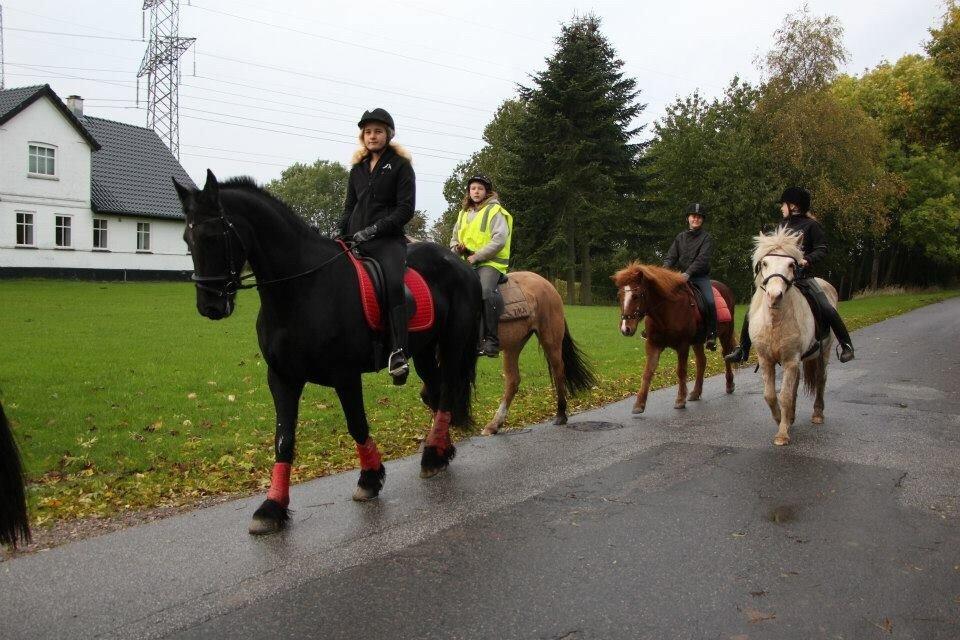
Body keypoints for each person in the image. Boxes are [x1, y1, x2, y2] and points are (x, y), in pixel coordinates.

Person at [724, 187, 855, 364]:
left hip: (803, 278)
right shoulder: (781, 226)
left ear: (793, 206)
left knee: (826, 307)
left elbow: (822, 249)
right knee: (753, 307)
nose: (781, 208)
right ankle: (743, 349)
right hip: (780, 279)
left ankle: (846, 345)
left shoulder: (812, 226)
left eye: (783, 204)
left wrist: (807, 260)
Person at [340, 108, 416, 383]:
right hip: (356, 240)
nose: (373, 136)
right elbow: (349, 207)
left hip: (387, 241)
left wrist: (376, 228)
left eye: (378, 131)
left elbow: (405, 209)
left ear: (389, 135)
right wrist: (341, 234)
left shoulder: (401, 166)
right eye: (368, 132)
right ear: (363, 136)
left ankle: (398, 351)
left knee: (393, 284)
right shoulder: (357, 169)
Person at [449, 174, 513, 357]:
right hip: (468, 261)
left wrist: (477, 256)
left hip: (491, 262)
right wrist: (457, 248)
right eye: (473, 188)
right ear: (469, 192)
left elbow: (499, 240)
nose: (476, 191)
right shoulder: (463, 213)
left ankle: (491, 340)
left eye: (480, 188)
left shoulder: (495, 211)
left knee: (484, 291)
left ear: (487, 192)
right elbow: (454, 238)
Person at [664, 203, 717, 350]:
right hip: (680, 277)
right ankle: (657, 330)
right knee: (661, 295)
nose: (696, 219)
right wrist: (663, 272)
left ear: (702, 220)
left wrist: (688, 273)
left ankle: (712, 334)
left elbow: (702, 259)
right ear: (688, 218)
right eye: (693, 216)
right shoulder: (680, 237)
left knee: (710, 302)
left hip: (699, 277)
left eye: (699, 217)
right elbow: (671, 257)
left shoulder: (706, 238)